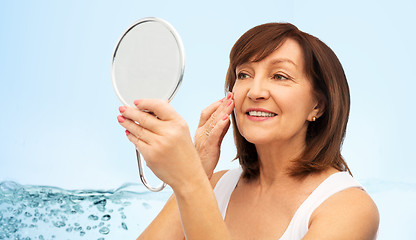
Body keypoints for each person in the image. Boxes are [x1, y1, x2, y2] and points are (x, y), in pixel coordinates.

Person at [117, 22, 379, 239]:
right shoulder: (215, 185)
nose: (255, 92)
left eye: (280, 76)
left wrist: (189, 180)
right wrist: (197, 170)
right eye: (243, 75)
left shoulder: (350, 208)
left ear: (318, 105)